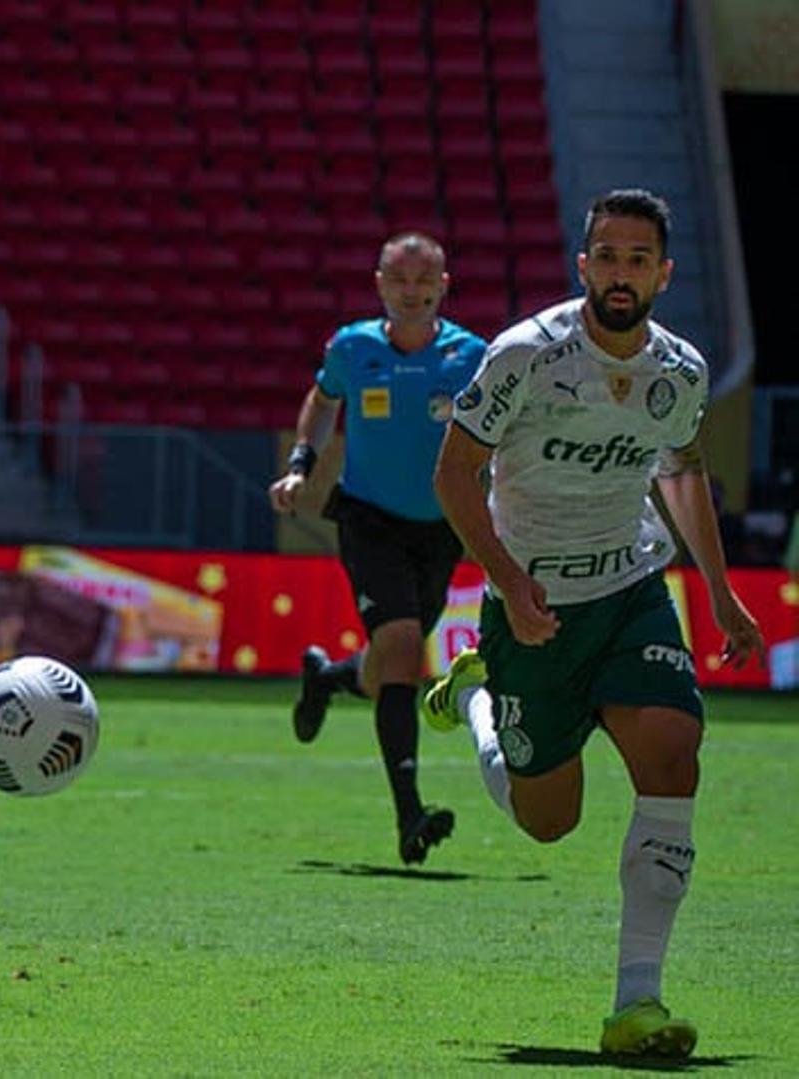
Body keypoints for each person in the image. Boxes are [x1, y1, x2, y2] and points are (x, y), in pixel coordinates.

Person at [422, 189, 764, 1058]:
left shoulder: (680, 371)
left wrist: (720, 592)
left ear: (664, 273)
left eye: (637, 259)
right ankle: (478, 703)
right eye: (607, 256)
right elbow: (456, 474)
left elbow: (681, 474)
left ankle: (636, 1002)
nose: (621, 273)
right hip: (532, 608)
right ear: (584, 266)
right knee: (550, 819)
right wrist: (507, 580)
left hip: (632, 587)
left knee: (672, 750)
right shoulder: (524, 355)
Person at [266, 232, 486, 865]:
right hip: (368, 519)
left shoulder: (471, 356)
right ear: (380, 284)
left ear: (444, 285)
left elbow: (500, 427)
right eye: (400, 278)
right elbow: (321, 399)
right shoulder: (353, 347)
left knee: (388, 660)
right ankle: (409, 814)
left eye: (424, 279)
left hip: (442, 526)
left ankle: (330, 677)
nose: (411, 290)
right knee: (402, 647)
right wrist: (301, 464)